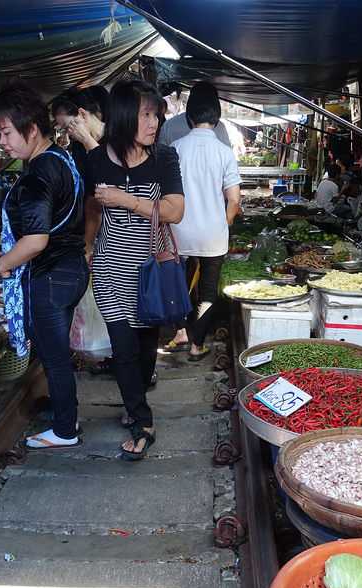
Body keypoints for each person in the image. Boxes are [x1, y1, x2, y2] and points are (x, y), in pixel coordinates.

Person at [85, 80, 184, 460]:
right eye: (145, 115)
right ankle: (143, 421)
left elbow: (175, 211)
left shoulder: (165, 158)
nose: (154, 122)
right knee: (123, 351)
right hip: (111, 270)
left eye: (156, 115)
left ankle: (135, 399)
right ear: (125, 116)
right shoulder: (95, 160)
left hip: (149, 275)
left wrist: (124, 199)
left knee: (145, 353)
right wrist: (88, 244)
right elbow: (93, 207)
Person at [0, 80, 88, 450]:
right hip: (71, 269)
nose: (2, 141)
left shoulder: (38, 173)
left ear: (31, 129)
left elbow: (35, 240)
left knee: (53, 355)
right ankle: (68, 413)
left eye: (5, 132)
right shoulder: (62, 158)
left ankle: (65, 430)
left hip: (50, 275)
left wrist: (3, 264)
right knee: (56, 352)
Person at [162, 82, 241, 359]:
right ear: (216, 116)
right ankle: (197, 344)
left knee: (179, 287)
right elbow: (234, 200)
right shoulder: (224, 151)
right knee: (208, 292)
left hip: (178, 232)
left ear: (190, 116)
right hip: (213, 235)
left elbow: (163, 193)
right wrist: (225, 223)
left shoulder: (174, 149)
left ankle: (181, 330)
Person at [51, 85, 109, 169]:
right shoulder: (78, 148)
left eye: (68, 126)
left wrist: (87, 140)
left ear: (82, 114)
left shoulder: (120, 134)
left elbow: (116, 174)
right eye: (64, 130)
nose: (68, 133)